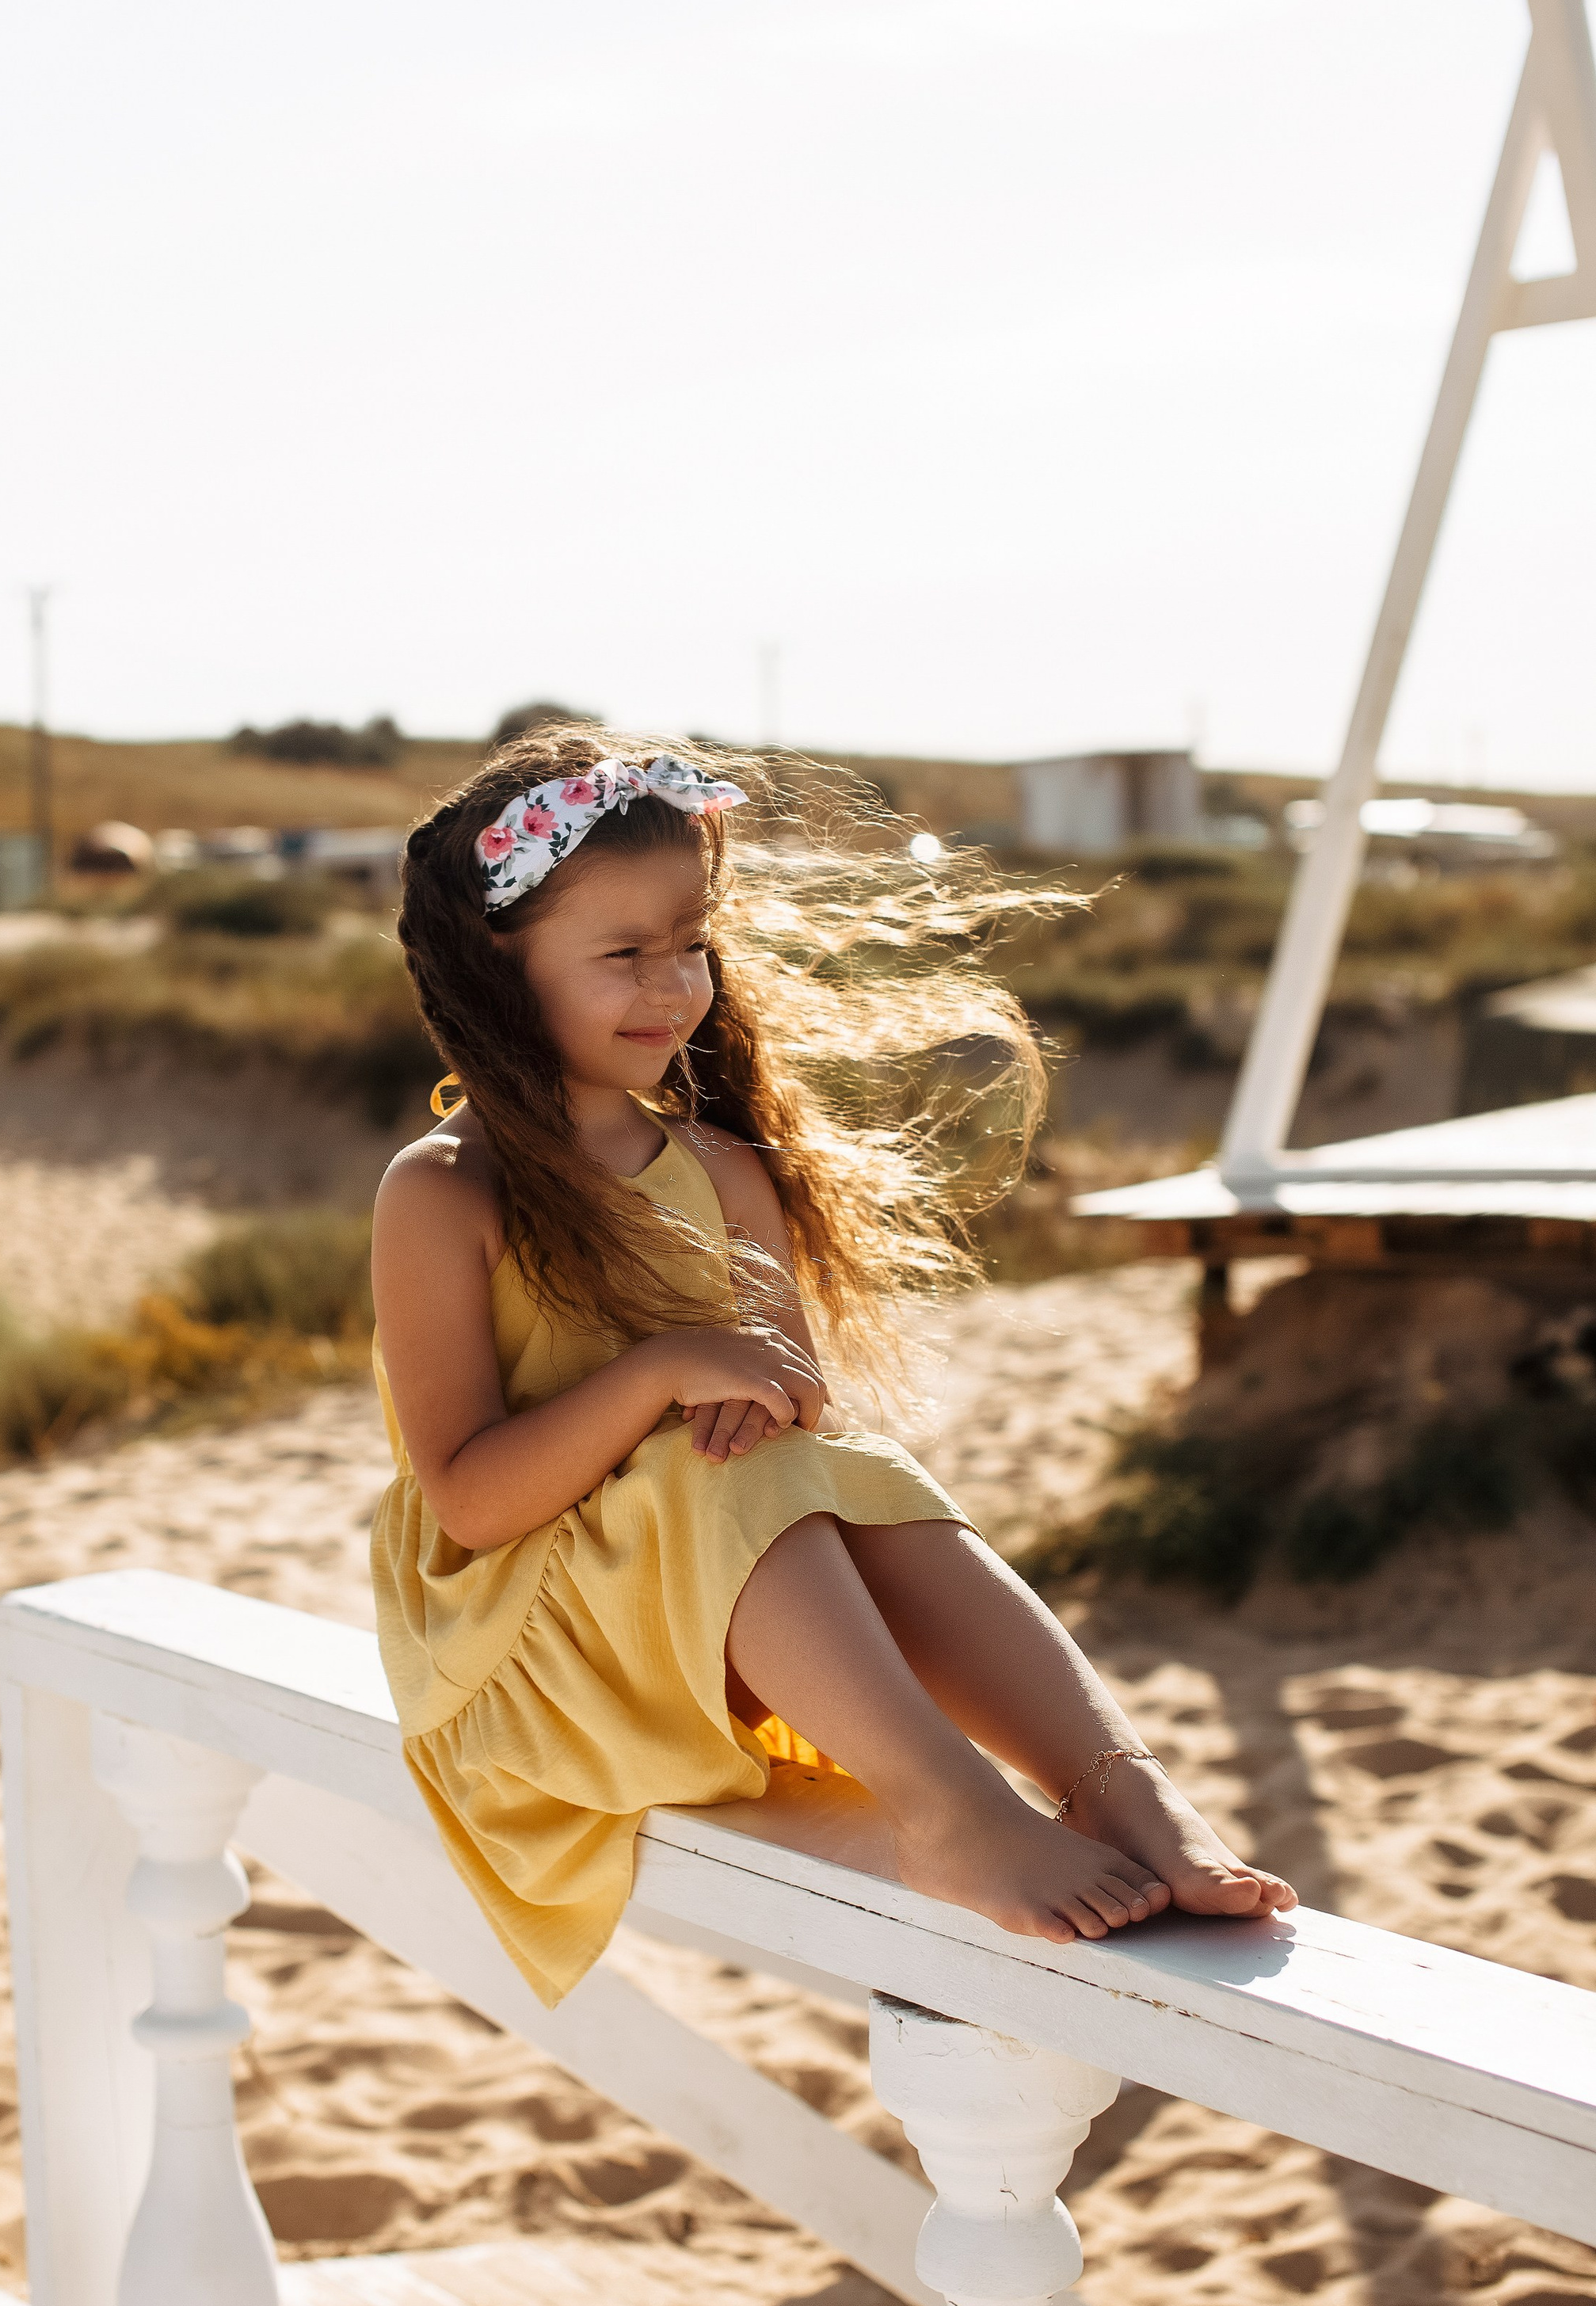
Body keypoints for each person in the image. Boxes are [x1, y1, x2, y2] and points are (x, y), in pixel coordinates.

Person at [371, 724, 1293, 2006]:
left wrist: (751, 1397)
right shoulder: (446, 1192)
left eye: (690, 942)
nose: (671, 984)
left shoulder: (724, 1172)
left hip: (706, 1616)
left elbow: (790, 1409)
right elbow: (468, 1501)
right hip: (530, 1643)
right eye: (622, 954)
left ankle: (1119, 1785)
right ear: (498, 967)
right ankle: (950, 1804)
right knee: (714, 1474)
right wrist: (660, 1374)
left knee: (841, 1463)